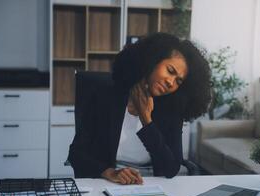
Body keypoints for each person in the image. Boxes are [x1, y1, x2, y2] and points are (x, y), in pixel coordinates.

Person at [68, 33, 211, 185]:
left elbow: (171, 168)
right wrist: (109, 172)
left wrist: (146, 120)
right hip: (109, 182)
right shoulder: (106, 98)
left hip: (150, 184)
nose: (171, 83)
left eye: (179, 81)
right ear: (152, 60)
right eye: (170, 71)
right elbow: (77, 154)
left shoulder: (171, 111)